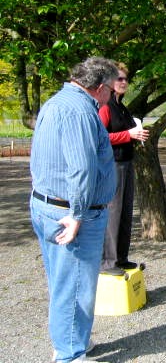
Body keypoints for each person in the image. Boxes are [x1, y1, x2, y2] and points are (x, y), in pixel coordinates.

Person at [30, 57, 118, 362]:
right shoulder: (80, 111)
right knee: (76, 285)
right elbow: (81, 169)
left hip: (48, 205)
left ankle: (70, 340)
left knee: (63, 281)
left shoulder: (57, 102)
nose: (114, 95)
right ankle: (69, 354)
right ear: (99, 87)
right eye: (112, 88)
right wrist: (78, 214)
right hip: (72, 213)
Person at [98, 63, 149, 276]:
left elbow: (128, 132)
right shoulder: (105, 107)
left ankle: (121, 258)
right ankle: (107, 263)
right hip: (113, 165)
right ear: (109, 82)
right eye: (119, 79)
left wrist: (136, 135)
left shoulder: (122, 107)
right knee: (113, 213)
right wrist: (128, 136)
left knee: (126, 213)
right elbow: (99, 138)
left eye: (126, 79)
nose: (123, 82)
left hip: (127, 163)